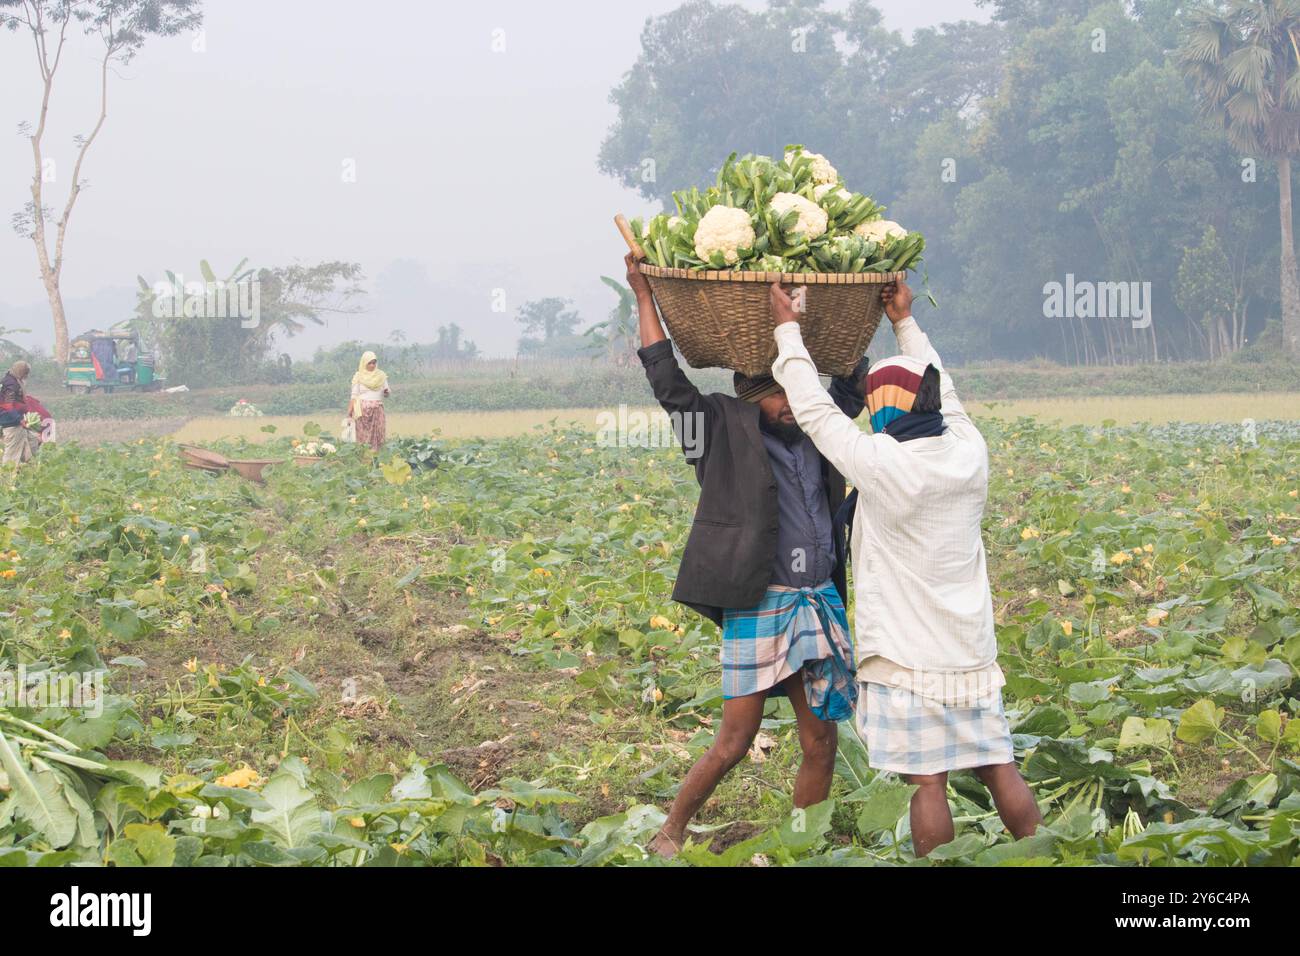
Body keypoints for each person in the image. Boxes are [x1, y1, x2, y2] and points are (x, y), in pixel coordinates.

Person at [769, 278, 1042, 857]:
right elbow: (952, 395)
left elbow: (816, 413)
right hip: (969, 649)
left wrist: (788, 330)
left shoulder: (882, 462)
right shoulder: (969, 450)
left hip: (909, 656)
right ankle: (1047, 854)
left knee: (929, 782)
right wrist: (905, 322)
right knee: (998, 765)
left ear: (882, 409)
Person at [624, 254, 869, 859]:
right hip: (759, 603)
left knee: (821, 741)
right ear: (751, 394)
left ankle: (798, 846)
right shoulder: (716, 430)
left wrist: (867, 307)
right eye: (781, 396)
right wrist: (643, 294)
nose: (793, 405)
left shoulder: (819, 424)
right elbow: (666, 379)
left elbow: (852, 378)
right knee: (736, 739)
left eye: (797, 392)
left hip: (817, 600)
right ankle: (671, 831)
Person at [349, 351, 391, 450]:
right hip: (362, 412)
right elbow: (354, 396)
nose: (372, 365)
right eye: (369, 363)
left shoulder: (381, 376)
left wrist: (386, 392)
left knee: (378, 434)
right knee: (363, 437)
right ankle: (363, 459)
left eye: (374, 362)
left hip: (377, 410)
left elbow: (387, 393)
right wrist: (349, 413)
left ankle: (376, 459)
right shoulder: (358, 376)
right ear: (364, 363)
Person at [1, 360, 32, 465]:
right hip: (11, 422)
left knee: (27, 449)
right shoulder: (11, 383)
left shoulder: (9, 380)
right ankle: (7, 479)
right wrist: (19, 419)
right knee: (11, 455)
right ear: (21, 372)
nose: (26, 376)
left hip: (13, 421)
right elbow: (7, 405)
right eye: (25, 373)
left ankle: (23, 473)